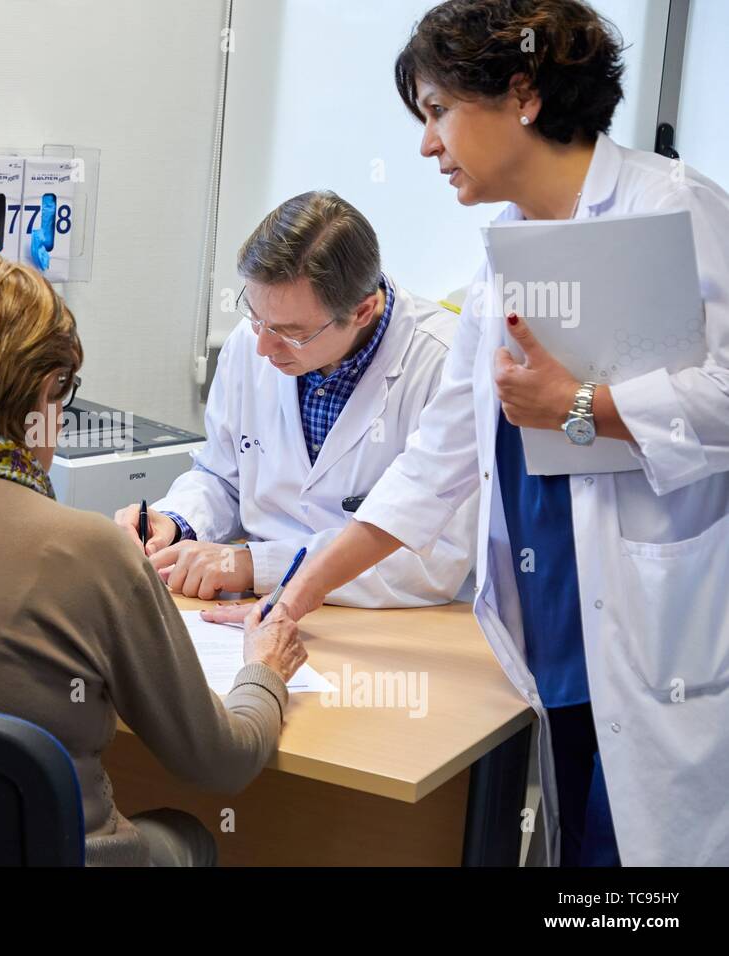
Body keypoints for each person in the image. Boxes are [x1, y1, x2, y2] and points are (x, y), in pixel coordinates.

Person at [207, 0, 729, 866]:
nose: (426, 144)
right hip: (557, 631)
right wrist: (295, 596)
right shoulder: (503, 259)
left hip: (662, 629)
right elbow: (433, 466)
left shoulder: (675, 209)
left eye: (440, 111)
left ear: (522, 93)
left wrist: (581, 407)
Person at [0, 250, 306, 866]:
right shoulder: (92, 552)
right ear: (46, 393)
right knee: (190, 835)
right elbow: (221, 762)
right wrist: (265, 672)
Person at [115, 191, 476, 606]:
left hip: (394, 621)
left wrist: (254, 564)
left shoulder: (445, 365)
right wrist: (176, 521)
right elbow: (222, 477)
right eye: (254, 315)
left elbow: (434, 559)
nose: (264, 347)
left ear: (362, 311)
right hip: (258, 604)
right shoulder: (252, 344)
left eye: (291, 333)